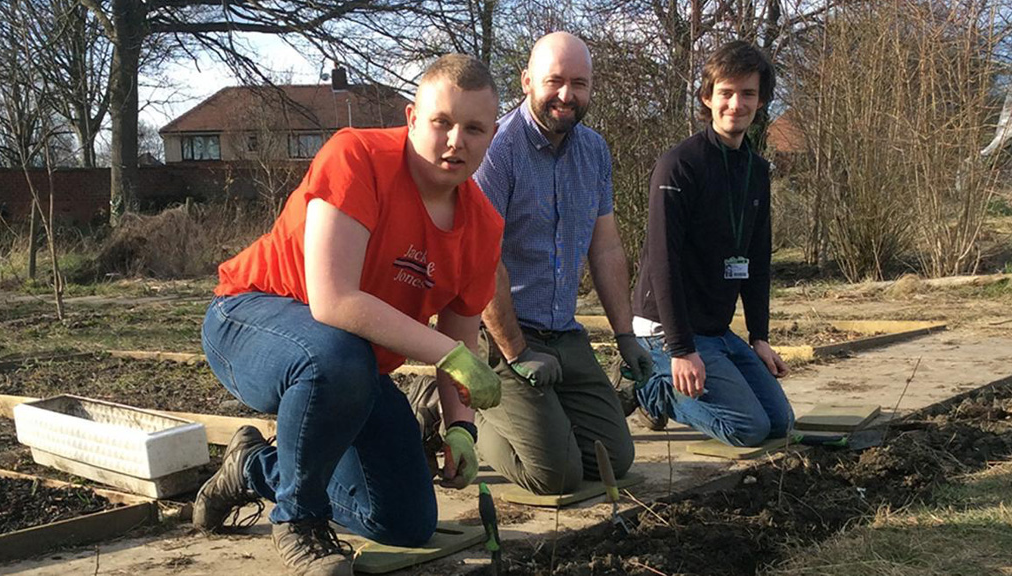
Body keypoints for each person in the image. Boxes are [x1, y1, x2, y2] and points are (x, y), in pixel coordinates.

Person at [193, 54, 504, 576]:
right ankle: (297, 521)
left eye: (474, 128)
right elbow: (333, 300)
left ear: (492, 134)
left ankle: (251, 466)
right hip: (248, 318)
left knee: (405, 521)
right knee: (334, 357)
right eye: (441, 122)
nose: (456, 141)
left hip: (351, 363)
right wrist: (451, 357)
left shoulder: (483, 227)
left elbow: (460, 343)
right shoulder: (356, 156)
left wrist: (461, 429)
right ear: (410, 119)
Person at [471, 31, 652, 495]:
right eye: (554, 81)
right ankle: (468, 408)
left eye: (579, 83)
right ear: (527, 81)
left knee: (615, 458)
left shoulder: (594, 151)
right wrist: (515, 352)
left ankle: (541, 417)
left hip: (563, 331)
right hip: (501, 332)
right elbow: (482, 258)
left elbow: (607, 247)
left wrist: (625, 334)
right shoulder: (498, 151)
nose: (566, 95)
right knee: (556, 476)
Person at [630, 40, 794, 446]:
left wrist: (759, 336)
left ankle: (679, 377)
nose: (735, 104)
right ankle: (653, 389)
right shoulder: (680, 165)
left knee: (779, 421)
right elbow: (663, 261)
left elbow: (756, 259)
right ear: (707, 96)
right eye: (726, 93)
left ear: (760, 102)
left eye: (747, 94)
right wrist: (681, 349)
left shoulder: (756, 170)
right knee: (747, 429)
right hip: (666, 329)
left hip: (716, 329)